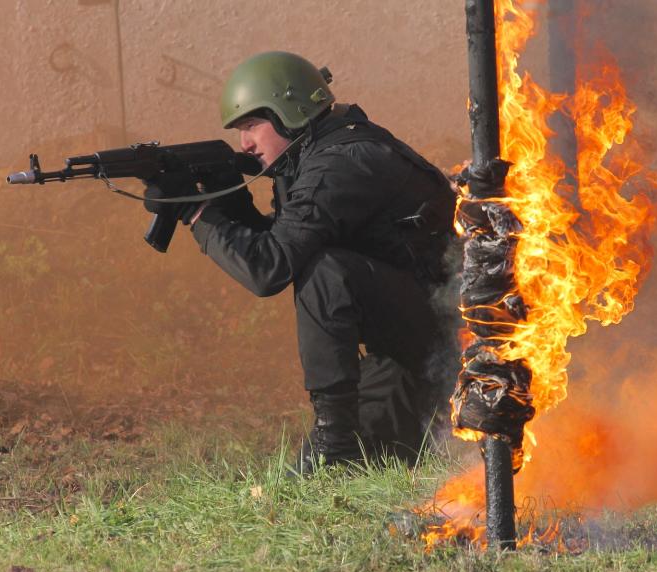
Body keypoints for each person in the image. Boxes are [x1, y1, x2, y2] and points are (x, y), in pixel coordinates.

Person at [144, 51, 457, 473]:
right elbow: (285, 239)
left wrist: (198, 213)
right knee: (371, 459)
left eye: (252, 125)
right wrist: (230, 202)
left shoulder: (340, 164)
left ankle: (335, 441)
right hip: (410, 343)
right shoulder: (315, 155)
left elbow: (269, 268)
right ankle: (343, 442)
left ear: (289, 112)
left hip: (447, 342)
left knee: (326, 272)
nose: (245, 144)